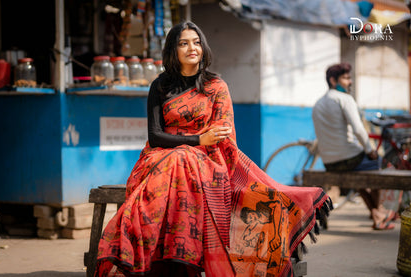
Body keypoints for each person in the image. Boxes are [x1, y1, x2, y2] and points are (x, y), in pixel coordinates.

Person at [95, 21, 332, 277]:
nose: (191, 48)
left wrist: (200, 144)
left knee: (183, 158)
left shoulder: (216, 86)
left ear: (203, 47)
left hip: (209, 159)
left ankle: (164, 256)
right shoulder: (160, 85)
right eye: (183, 43)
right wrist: (197, 140)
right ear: (173, 50)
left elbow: (222, 133)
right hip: (159, 158)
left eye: (196, 42)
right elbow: (155, 137)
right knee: (180, 157)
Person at [312, 62, 396, 231]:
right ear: (333, 80)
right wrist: (370, 150)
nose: (350, 82)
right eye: (346, 78)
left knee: (359, 177)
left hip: (329, 162)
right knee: (378, 163)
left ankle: (376, 214)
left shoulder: (318, 104)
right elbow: (358, 129)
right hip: (349, 158)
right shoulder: (345, 99)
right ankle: (379, 212)